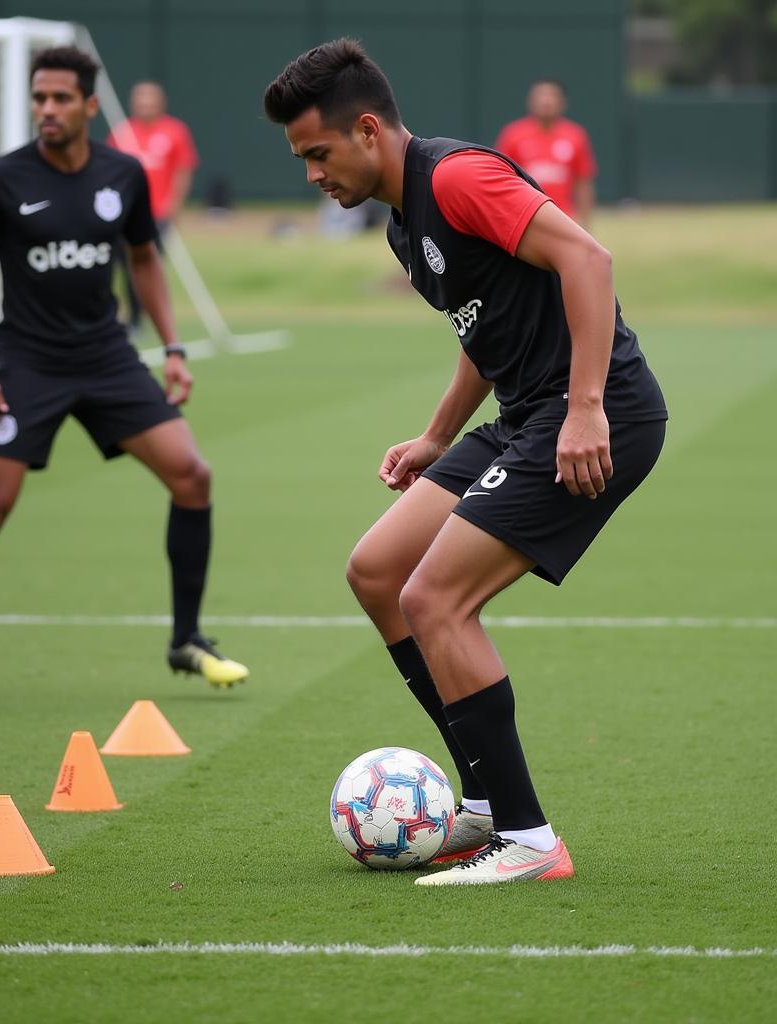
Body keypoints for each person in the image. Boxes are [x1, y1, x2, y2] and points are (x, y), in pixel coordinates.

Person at [263, 40, 666, 886]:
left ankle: (527, 840)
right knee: (377, 571)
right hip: (526, 414)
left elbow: (588, 260)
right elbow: (484, 338)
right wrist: (439, 435)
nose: (312, 176)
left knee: (434, 598)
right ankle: (479, 805)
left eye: (317, 154)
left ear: (367, 130)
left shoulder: (455, 179)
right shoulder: (404, 226)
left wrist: (586, 406)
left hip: (594, 413)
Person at [0, 47, 248, 699]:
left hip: (107, 357)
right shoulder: (0, 179)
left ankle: (185, 641)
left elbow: (143, 261)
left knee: (192, 475)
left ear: (87, 105)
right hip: (27, 364)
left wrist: (172, 347)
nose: (46, 109)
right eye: (39, 98)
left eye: (59, 98)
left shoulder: (123, 175)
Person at [107, 81, 199, 330]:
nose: (145, 104)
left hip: (158, 213)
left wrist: (174, 207)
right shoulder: (122, 132)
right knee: (117, 266)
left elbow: (183, 169)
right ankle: (130, 318)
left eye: (150, 99)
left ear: (161, 102)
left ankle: (157, 317)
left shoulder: (174, 131)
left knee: (148, 265)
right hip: (124, 214)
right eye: (141, 99)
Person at [494, 79, 597, 229]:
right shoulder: (513, 134)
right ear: (530, 101)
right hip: (524, 218)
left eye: (552, 96)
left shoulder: (575, 135)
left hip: (563, 217)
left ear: (563, 102)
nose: (546, 101)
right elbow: (500, 179)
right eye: (541, 96)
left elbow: (583, 182)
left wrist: (585, 223)